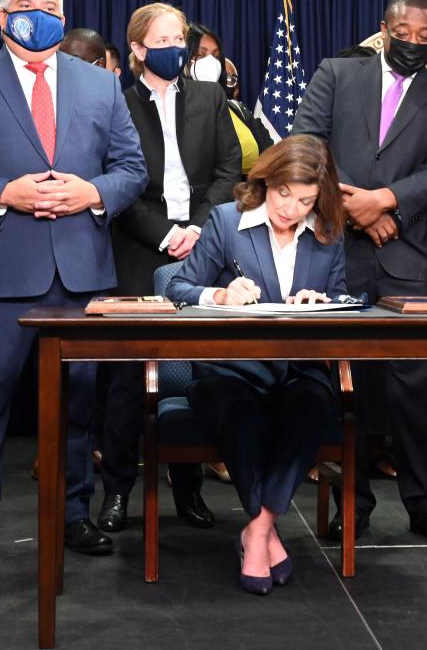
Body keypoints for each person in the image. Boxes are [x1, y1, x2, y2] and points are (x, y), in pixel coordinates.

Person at [0, 0, 147, 563]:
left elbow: (132, 169)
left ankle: (75, 513)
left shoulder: (100, 86)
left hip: (79, 274)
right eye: (25, 5)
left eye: (49, 5)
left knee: (77, 408)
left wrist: (92, 194)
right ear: (2, 17)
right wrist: (4, 194)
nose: (38, 13)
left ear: (63, 14)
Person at [292, 0, 427, 546]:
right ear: (384, 28)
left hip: (412, 256)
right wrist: (360, 211)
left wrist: (387, 200)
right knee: (349, 388)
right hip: (339, 253)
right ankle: (354, 504)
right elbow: (307, 145)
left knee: (418, 392)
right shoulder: (337, 74)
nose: (414, 44)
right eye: (404, 34)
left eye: (425, 37)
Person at [166, 135, 347, 594]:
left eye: (305, 200)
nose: (290, 209)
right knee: (238, 411)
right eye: (284, 193)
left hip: (300, 368)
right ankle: (266, 532)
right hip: (229, 369)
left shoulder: (327, 232)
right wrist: (220, 294)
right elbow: (179, 287)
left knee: (311, 404)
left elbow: (348, 299)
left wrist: (324, 299)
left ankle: (259, 531)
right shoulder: (228, 221)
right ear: (267, 180)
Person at [97, 5, 241, 534]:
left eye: (179, 38)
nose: (175, 47)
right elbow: (114, 179)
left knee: (191, 371)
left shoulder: (210, 96)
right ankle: (116, 492)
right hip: (140, 247)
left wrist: (200, 229)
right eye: (163, 39)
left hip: (202, 246)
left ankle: (188, 489)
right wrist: (162, 233)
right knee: (129, 379)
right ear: (137, 48)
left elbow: (230, 170)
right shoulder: (115, 102)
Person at [187, 22, 273, 175]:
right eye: (200, 54)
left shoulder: (235, 107)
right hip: (212, 194)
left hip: (251, 189)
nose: (210, 62)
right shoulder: (177, 105)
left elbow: (268, 147)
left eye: (216, 56)